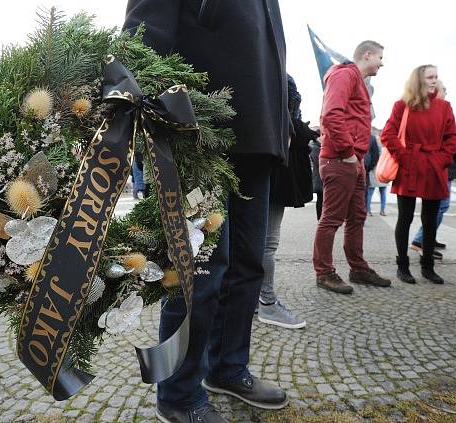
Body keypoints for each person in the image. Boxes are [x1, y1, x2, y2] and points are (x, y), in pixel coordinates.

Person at [123, 2, 290, 422]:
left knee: (247, 267)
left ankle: (227, 368)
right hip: (198, 134)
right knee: (199, 271)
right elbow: (141, 38)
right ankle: (177, 394)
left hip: (258, 139)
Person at [313, 40, 392, 295]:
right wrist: (347, 152)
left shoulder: (357, 80)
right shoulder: (345, 74)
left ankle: (358, 268)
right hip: (339, 159)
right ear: (367, 55)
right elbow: (331, 115)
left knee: (358, 217)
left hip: (353, 160)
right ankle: (324, 273)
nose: (382, 62)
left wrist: (355, 157)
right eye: (380, 57)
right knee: (332, 219)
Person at [381, 65, 456, 285]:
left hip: (434, 167)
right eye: (430, 77)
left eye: (437, 76)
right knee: (404, 218)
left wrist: (440, 159)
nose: (435, 80)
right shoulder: (402, 105)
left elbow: (452, 138)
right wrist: (405, 157)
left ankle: (428, 266)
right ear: (419, 79)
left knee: (430, 219)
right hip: (410, 166)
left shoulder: (444, 106)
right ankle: (402, 266)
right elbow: (388, 134)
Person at [258, 75, 316, 330]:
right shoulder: (279, 76)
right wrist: (305, 132)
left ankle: (254, 299)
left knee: (256, 240)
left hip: (263, 163)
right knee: (267, 242)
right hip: (275, 167)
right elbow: (289, 124)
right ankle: (267, 302)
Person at [410, 80, 456, 260]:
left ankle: (429, 238)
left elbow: (451, 138)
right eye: (444, 89)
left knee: (438, 207)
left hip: (443, 167)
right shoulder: (430, 110)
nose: (445, 92)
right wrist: (441, 160)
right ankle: (421, 240)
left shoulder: (444, 109)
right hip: (439, 169)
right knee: (439, 206)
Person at [363, 134, 383, 216]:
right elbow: (375, 156)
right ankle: (361, 216)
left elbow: (375, 156)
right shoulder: (371, 138)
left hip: (352, 169)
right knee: (363, 194)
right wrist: (369, 168)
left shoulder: (348, 133)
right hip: (365, 170)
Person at [309, 136, 322, 220]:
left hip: (319, 177)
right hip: (319, 178)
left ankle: (321, 218)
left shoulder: (317, 147)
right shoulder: (316, 148)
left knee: (322, 199)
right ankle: (320, 218)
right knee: (321, 199)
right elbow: (318, 162)